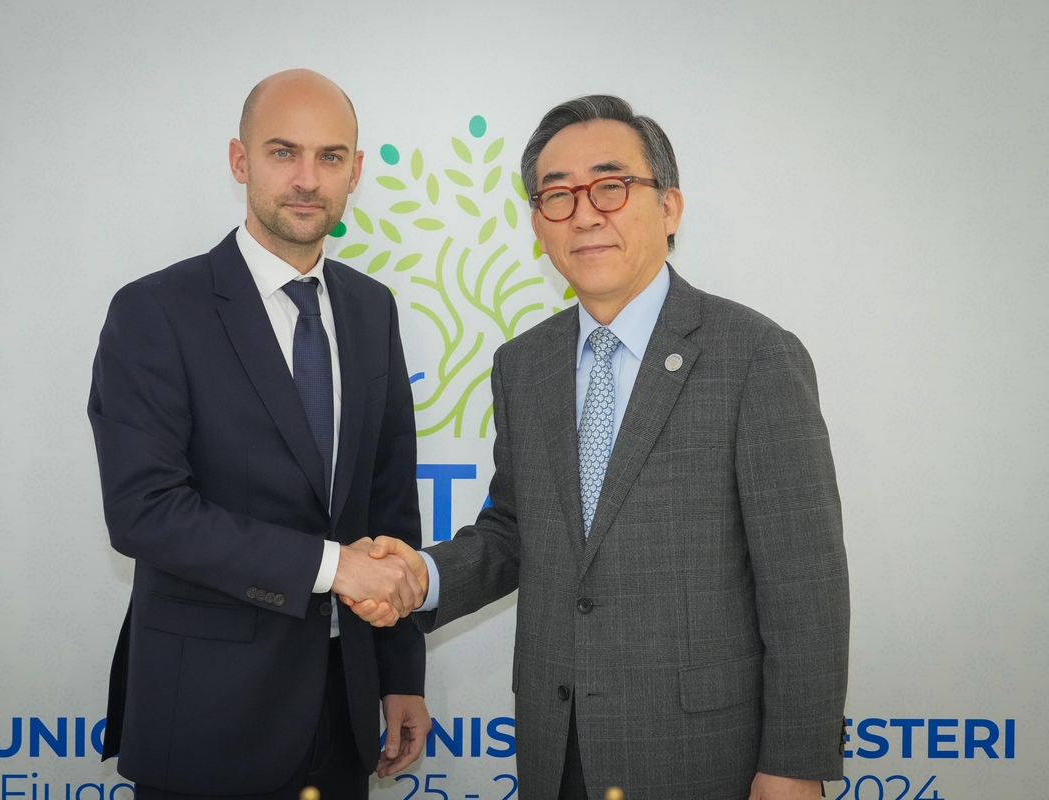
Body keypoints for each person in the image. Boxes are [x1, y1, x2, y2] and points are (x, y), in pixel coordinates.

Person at [349, 95, 850, 799]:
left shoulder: (754, 356)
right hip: (558, 751)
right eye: (557, 195)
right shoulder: (524, 365)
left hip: (705, 753)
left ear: (669, 208)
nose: (585, 213)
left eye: (611, 187)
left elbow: (805, 585)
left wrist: (794, 764)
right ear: (537, 223)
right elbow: (515, 533)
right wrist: (422, 578)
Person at [87, 69, 431, 800]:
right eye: (283, 153)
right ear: (240, 161)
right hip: (207, 717)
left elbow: (388, 504)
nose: (308, 179)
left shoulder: (373, 310)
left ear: (356, 173)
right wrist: (335, 568)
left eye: (331, 158)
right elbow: (144, 511)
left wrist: (400, 675)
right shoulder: (156, 311)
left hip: (342, 715)